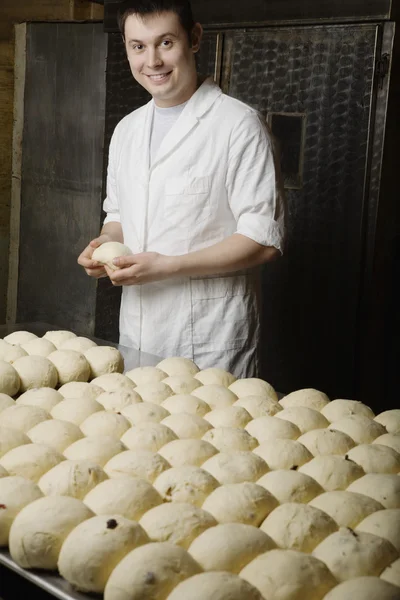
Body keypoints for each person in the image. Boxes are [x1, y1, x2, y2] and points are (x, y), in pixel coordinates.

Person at [78, 0, 285, 378]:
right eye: (138, 46)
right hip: (140, 330)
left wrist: (167, 266)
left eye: (166, 42)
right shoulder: (127, 130)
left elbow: (263, 241)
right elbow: (119, 215)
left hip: (210, 338)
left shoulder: (238, 126)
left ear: (194, 39)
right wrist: (103, 246)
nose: (152, 61)